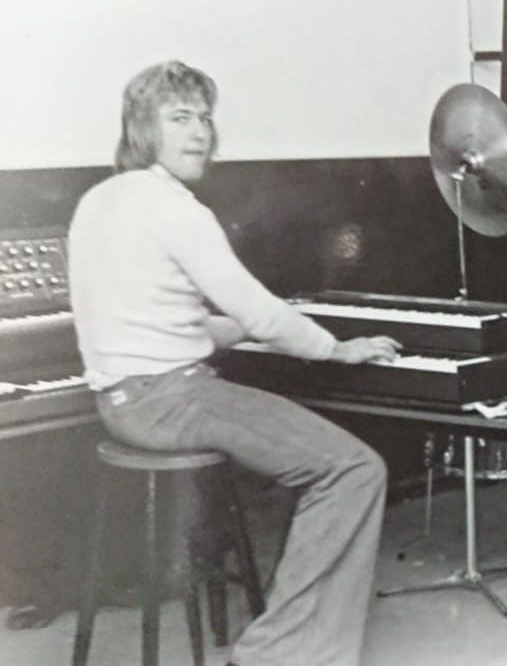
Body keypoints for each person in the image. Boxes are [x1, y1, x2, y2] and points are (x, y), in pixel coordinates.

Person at [67, 61, 401, 666]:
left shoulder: (99, 201)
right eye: (180, 119)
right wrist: (336, 347)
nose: (200, 133)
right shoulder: (178, 210)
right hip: (172, 399)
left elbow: (168, 319)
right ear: (144, 129)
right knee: (353, 469)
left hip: (121, 404)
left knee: (333, 460)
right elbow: (261, 312)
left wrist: (248, 326)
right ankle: (276, 655)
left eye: (205, 118)